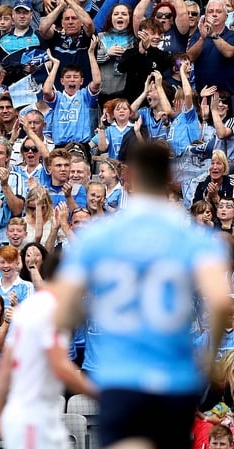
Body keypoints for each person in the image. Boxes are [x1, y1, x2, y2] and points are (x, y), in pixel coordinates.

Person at [54, 142, 234, 449]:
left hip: (120, 375)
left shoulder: (98, 235)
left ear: (129, 176)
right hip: (174, 377)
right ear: (169, 175)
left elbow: (62, 310)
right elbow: (219, 302)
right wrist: (208, 356)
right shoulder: (194, 237)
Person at [0, 255, 95, 448]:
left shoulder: (33, 308)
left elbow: (7, 366)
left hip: (37, 415)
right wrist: (102, 394)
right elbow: (60, 365)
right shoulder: (47, 312)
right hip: (31, 418)